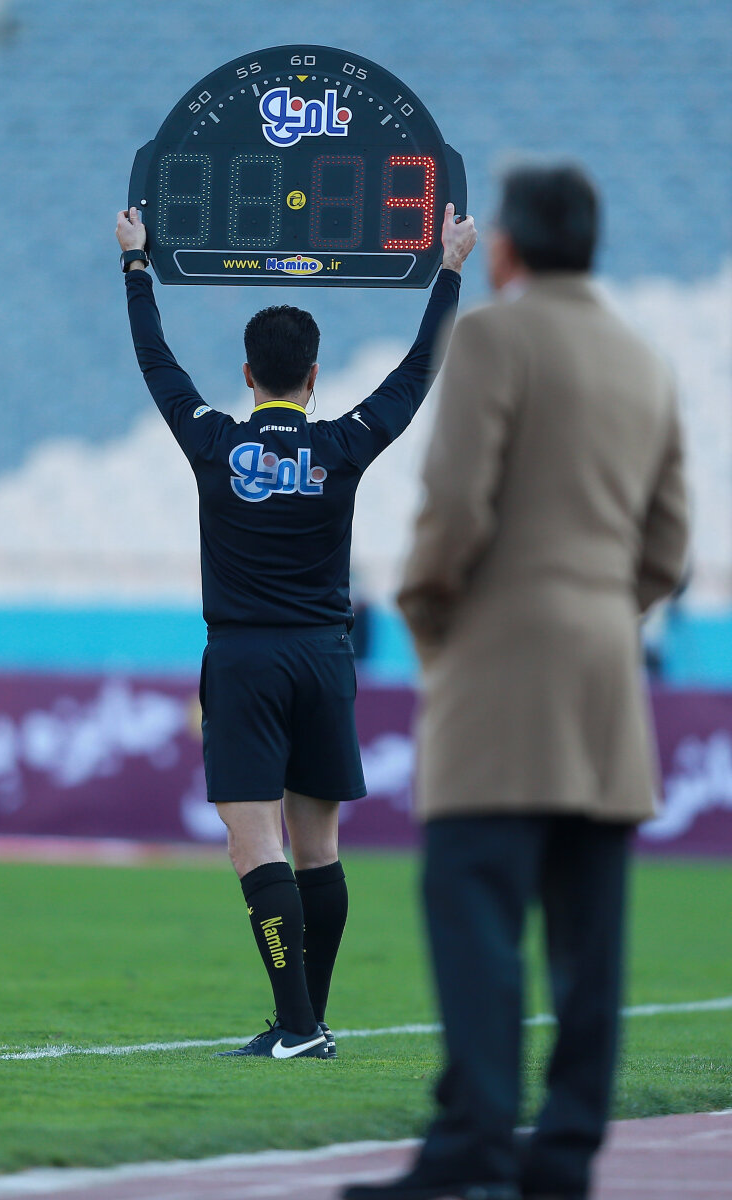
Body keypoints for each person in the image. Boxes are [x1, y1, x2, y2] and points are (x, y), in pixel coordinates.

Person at [343, 164, 688, 1198]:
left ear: (506, 247)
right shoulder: (643, 360)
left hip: (498, 667)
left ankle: (474, 1141)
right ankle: (565, 1153)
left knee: (473, 908)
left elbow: (454, 504)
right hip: (603, 675)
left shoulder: (494, 337)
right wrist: (601, 613)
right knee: (589, 938)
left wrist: (428, 614)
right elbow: (668, 545)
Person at [116, 203, 477, 1060]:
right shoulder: (343, 445)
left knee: (255, 848)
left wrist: (136, 266)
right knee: (319, 849)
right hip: (325, 658)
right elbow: (417, 373)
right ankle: (307, 1022)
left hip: (245, 661)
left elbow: (157, 362)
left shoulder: (211, 440)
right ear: (313, 376)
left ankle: (298, 1026)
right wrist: (450, 269)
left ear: (249, 374)